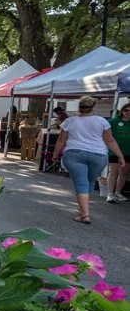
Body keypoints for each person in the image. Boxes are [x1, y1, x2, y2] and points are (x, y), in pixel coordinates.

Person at [53, 96, 125, 224]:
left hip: (74, 154)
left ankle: (85, 215)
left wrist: (55, 154)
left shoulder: (69, 121)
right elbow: (109, 140)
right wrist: (120, 156)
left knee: (81, 184)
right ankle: (82, 211)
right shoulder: (102, 121)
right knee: (89, 183)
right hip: (98, 155)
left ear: (79, 107)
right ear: (94, 107)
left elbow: (61, 141)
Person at [106, 103, 130, 203]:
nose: (128, 113)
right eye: (126, 110)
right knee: (113, 173)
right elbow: (106, 135)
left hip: (128, 152)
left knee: (124, 173)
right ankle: (110, 194)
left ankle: (118, 192)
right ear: (122, 111)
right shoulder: (113, 121)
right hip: (114, 152)